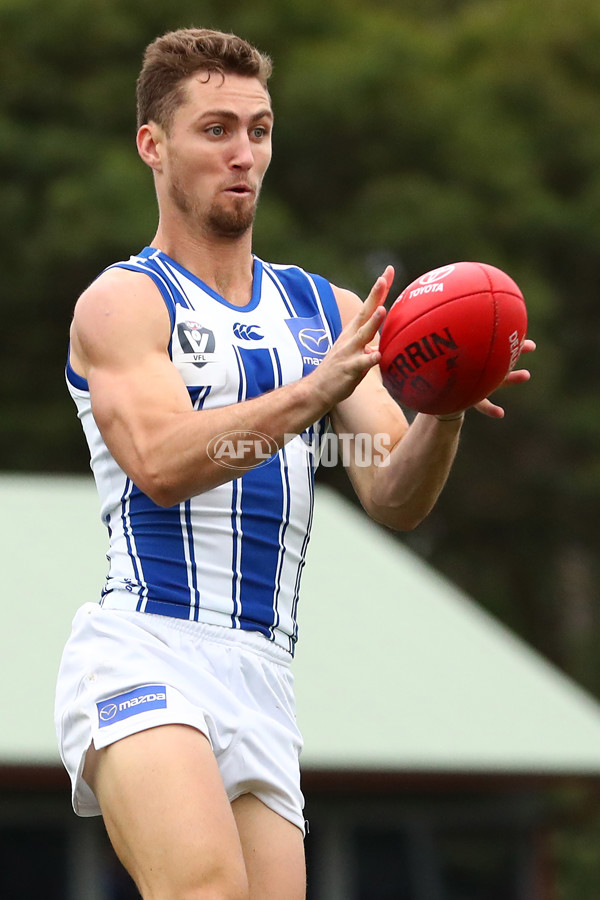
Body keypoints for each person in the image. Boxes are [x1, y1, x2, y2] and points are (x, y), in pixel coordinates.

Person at [55, 27, 534, 900]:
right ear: (152, 145)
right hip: (148, 649)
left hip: (265, 671)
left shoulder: (329, 310)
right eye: (216, 130)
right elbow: (161, 462)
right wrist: (313, 392)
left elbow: (392, 492)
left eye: (260, 129)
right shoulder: (123, 301)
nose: (244, 154)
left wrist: (446, 407)